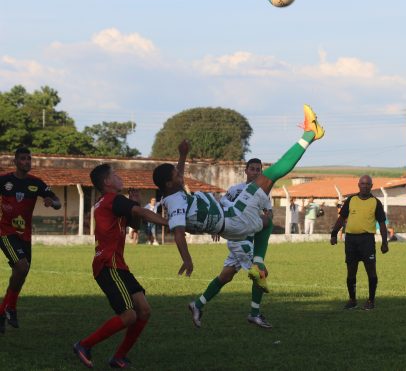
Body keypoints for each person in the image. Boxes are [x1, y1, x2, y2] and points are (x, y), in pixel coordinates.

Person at [152, 104, 324, 301]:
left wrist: (182, 155)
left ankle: (255, 268)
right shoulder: (174, 203)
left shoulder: (175, 193)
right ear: (168, 184)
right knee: (270, 175)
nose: (180, 177)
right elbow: (179, 233)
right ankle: (311, 133)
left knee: (266, 220)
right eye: (176, 176)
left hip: (232, 216)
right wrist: (187, 260)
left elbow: (179, 181)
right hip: (233, 220)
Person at [73, 164, 168, 368]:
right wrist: (169, 223)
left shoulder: (107, 202)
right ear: (107, 182)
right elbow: (142, 214)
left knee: (144, 310)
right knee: (129, 315)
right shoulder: (112, 199)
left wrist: (134, 204)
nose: (119, 176)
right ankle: (84, 345)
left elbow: (135, 224)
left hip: (118, 266)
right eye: (114, 175)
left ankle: (118, 357)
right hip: (108, 266)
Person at [189, 158, 273, 329]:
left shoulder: (263, 192)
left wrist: (266, 219)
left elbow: (269, 213)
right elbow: (220, 209)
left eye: (259, 170)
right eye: (252, 169)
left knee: (225, 276)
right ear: (246, 171)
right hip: (239, 240)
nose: (256, 172)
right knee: (260, 272)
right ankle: (254, 314)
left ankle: (197, 304)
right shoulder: (235, 190)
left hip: (248, 238)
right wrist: (215, 228)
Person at [0, 147, 62, 334]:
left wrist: (53, 203)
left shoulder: (37, 183)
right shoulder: (4, 180)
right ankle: (11, 307)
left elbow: (58, 202)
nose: (27, 161)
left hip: (24, 235)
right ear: (15, 161)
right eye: (23, 159)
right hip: (5, 232)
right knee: (21, 266)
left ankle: (3, 311)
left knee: (20, 273)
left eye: (29, 159)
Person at [330, 175, 388, 310]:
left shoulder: (376, 202)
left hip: (367, 240)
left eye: (368, 184)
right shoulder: (351, 200)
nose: (365, 186)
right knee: (351, 271)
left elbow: (382, 223)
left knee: (371, 271)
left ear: (372, 186)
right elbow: (341, 218)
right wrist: (333, 234)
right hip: (350, 240)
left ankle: (371, 301)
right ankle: (352, 300)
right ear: (358, 185)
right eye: (363, 183)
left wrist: (385, 242)